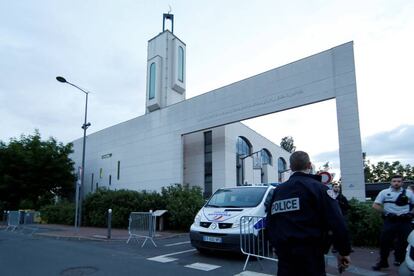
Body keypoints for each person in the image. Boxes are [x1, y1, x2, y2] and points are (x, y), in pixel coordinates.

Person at [266, 151, 351, 276]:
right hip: (311, 256)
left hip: (285, 255)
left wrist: (275, 245)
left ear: (290, 167)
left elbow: (270, 222)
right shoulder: (319, 189)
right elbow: (337, 222)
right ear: (309, 165)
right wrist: (344, 251)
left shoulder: (278, 191)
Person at [372, 175, 414, 271]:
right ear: (391, 182)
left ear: (402, 183)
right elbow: (375, 205)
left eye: (399, 181)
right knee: (384, 242)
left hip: (405, 221)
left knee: (406, 242)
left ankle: (402, 261)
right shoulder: (384, 192)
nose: (396, 183)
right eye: (394, 181)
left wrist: (410, 214)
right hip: (390, 220)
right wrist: (386, 213)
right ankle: (383, 262)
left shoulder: (409, 193)